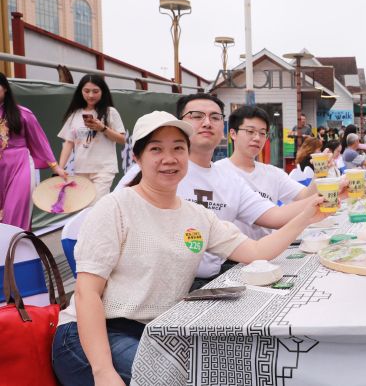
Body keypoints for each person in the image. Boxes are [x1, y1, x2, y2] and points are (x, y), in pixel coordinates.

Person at [51, 111, 325, 385]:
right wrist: (103, 372)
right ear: (137, 157)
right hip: (92, 334)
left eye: (178, 148)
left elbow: (255, 252)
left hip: (158, 332)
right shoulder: (115, 207)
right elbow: (87, 293)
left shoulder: (197, 216)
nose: (169, 159)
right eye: (156, 149)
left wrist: (306, 217)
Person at [115, 93, 323, 285]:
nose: (207, 122)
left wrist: (323, 199)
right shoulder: (152, 173)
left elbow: (274, 217)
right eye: (196, 116)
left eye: (215, 117)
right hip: (150, 285)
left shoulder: (229, 180)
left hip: (212, 280)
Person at [215, 106, 326, 239]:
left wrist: (320, 171)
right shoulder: (217, 172)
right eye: (250, 131)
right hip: (228, 256)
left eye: (262, 133)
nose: (257, 138)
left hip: (267, 249)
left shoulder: (273, 173)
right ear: (233, 134)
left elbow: (306, 196)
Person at [0, 73, 68, 230]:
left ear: (5, 88)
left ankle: (17, 252)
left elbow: (40, 142)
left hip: (20, 166)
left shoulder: (23, 113)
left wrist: (55, 167)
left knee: (15, 214)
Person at [58, 75, 126, 200]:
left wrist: (103, 128)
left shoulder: (110, 112)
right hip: (81, 169)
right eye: (86, 91)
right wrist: (60, 168)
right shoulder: (75, 114)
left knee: (95, 206)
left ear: (102, 92)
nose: (90, 95)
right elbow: (68, 143)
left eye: (95, 91)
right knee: (84, 206)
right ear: (80, 92)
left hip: (104, 169)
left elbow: (122, 139)